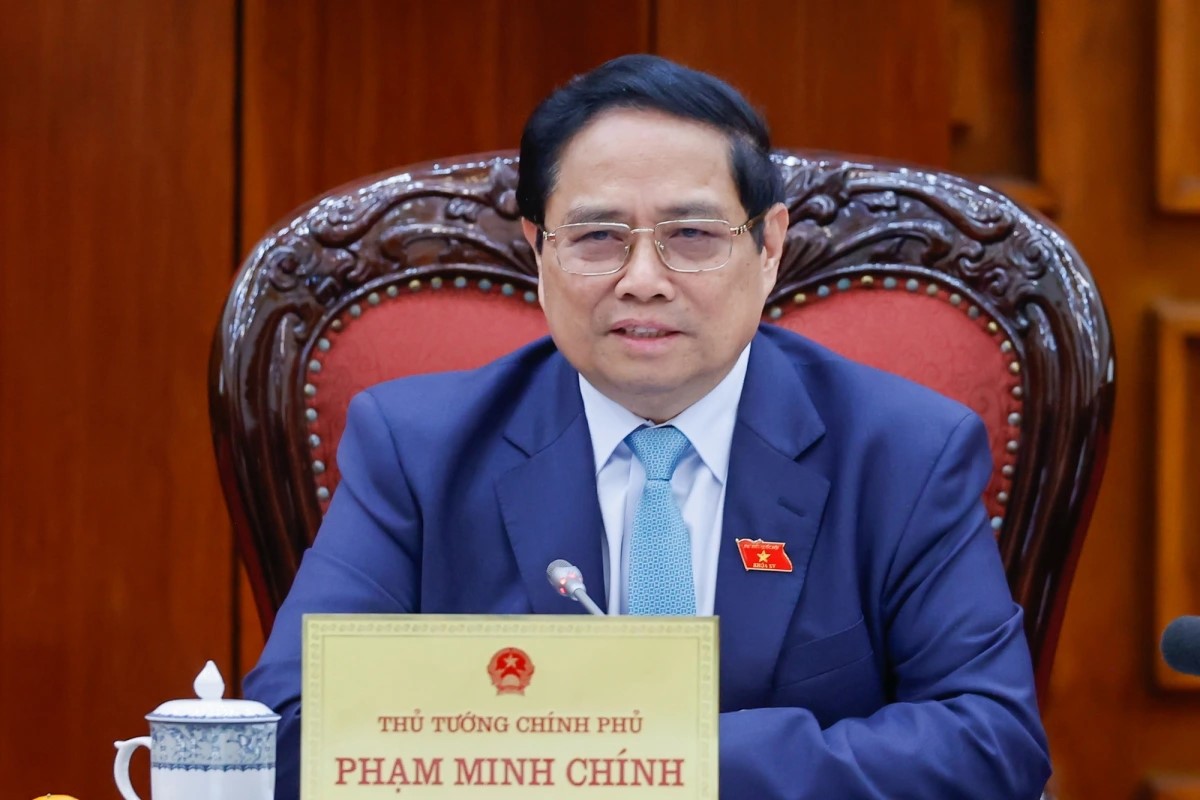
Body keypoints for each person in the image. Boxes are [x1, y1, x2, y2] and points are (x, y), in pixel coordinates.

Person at [245, 54, 1051, 799]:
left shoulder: (904, 452)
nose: (642, 281)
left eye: (691, 236)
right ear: (537, 252)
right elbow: (288, 732)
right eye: (597, 237)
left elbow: (991, 743)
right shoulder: (418, 451)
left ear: (769, 246)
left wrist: (661, 758)